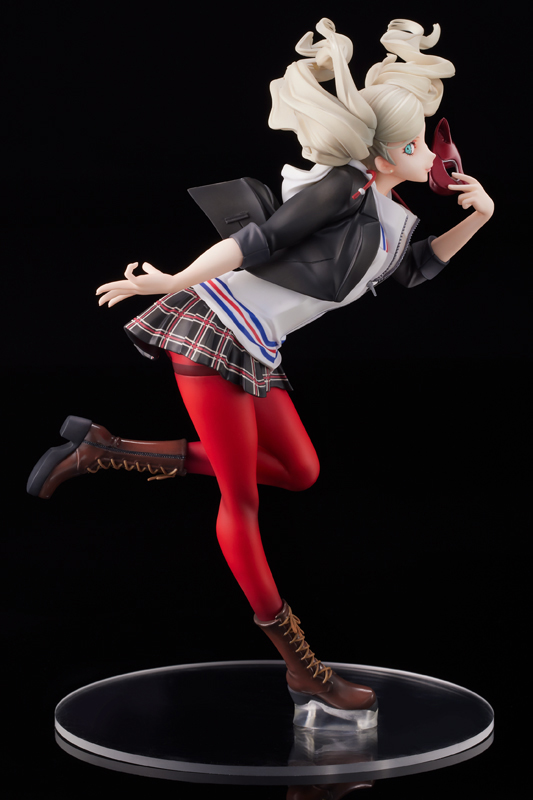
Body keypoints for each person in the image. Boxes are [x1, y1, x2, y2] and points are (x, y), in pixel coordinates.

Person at [27, 19, 493, 730]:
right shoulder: (343, 187)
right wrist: (171, 279)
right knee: (240, 499)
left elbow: (415, 271)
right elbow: (258, 241)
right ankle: (302, 669)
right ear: (379, 152)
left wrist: (479, 216)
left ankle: (103, 450)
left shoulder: (392, 218)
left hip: (255, 346)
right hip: (213, 328)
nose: (427, 153)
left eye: (425, 141)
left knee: (299, 470)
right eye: (414, 144)